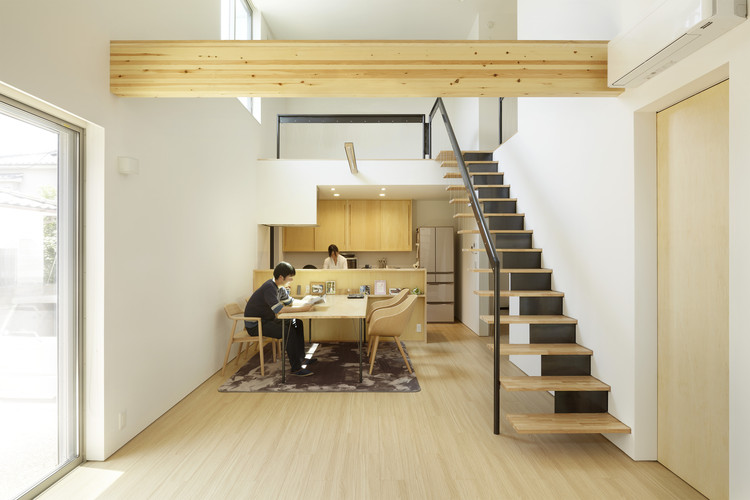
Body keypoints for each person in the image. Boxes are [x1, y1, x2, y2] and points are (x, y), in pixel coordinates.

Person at [244, 262, 317, 376]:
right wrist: (304, 309)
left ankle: (301, 358)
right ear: (281, 277)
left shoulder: (280, 288)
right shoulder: (269, 287)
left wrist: (308, 302)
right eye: (290, 277)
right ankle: (296, 368)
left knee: (297, 322)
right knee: (288, 332)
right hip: (256, 325)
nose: (291, 279)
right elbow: (280, 310)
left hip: (268, 320)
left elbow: (290, 302)